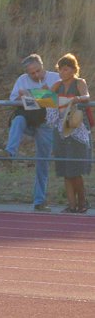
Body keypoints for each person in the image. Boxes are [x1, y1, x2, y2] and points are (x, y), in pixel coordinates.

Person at [4, 54, 60, 211]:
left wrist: (42, 95)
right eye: (32, 73)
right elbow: (12, 100)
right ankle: (10, 152)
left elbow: (58, 100)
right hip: (29, 120)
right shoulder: (22, 79)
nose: (36, 75)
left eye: (38, 71)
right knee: (17, 120)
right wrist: (29, 97)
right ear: (27, 73)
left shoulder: (55, 77)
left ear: (43, 67)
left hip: (46, 124)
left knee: (42, 162)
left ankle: (39, 200)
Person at [46, 53, 90, 213]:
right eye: (60, 70)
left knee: (75, 170)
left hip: (76, 131)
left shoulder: (79, 82)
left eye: (65, 69)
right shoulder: (57, 85)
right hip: (60, 130)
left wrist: (77, 98)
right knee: (65, 170)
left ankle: (82, 203)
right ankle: (71, 205)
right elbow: (46, 98)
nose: (62, 73)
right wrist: (40, 95)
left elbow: (87, 96)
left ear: (73, 70)